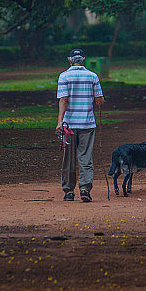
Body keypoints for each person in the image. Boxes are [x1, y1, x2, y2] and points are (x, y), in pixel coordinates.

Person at [56, 48, 105, 203]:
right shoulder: (93, 76)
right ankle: (85, 189)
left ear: (70, 60)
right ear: (83, 60)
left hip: (69, 125)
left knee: (68, 159)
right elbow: (99, 100)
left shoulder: (64, 76)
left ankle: (69, 191)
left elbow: (63, 100)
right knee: (85, 157)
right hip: (87, 124)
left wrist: (59, 121)